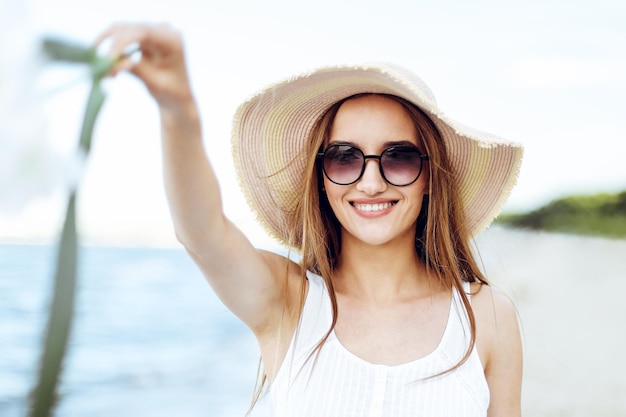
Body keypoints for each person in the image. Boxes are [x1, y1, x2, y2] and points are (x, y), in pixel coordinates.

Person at [98, 23, 524, 417]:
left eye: (399, 157)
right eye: (344, 158)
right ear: (321, 178)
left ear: (430, 176)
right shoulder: (287, 300)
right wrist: (179, 113)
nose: (371, 183)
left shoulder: (487, 317)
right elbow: (201, 232)